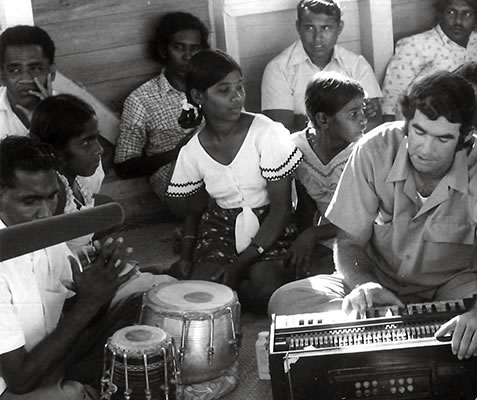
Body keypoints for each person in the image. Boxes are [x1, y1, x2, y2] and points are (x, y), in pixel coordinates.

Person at [269, 71, 477, 386]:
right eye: (419, 132)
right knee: (284, 302)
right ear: (406, 122)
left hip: (451, 289)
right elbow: (349, 242)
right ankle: (440, 346)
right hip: (377, 283)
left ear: (465, 138)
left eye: (443, 138)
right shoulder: (373, 149)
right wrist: (363, 286)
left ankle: (391, 344)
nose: (425, 148)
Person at [0, 136, 138, 399]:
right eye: (30, 201)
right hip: (12, 386)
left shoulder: (43, 234)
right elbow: (19, 380)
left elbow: (73, 315)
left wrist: (100, 290)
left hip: (49, 359)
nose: (45, 213)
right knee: (71, 394)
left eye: (51, 198)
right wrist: (88, 304)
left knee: (139, 304)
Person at [166, 50, 302, 312]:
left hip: (271, 227)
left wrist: (239, 265)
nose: (236, 96)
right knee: (202, 290)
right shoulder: (192, 150)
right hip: (221, 228)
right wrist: (186, 256)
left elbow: (282, 210)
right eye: (223, 90)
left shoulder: (265, 132)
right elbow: (195, 213)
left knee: (265, 289)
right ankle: (229, 290)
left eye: (239, 87)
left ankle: (239, 286)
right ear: (197, 96)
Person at [114, 12, 210, 206]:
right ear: (163, 50)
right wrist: (178, 153)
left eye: (195, 48)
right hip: (176, 177)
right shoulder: (141, 99)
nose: (188, 56)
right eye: (178, 47)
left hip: (221, 164)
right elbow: (124, 166)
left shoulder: (214, 86)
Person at [0, 25, 104, 198]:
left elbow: (93, 185)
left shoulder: (71, 112)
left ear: (52, 72)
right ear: (2, 75)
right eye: (15, 70)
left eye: (35, 68)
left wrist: (50, 119)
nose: (25, 79)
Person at [288, 71, 367, 278]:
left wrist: (311, 235)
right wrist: (304, 242)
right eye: (353, 114)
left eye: (363, 111)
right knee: (298, 272)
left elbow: (364, 217)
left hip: (364, 235)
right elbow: (304, 205)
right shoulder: (296, 149)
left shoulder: (363, 153)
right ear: (323, 119)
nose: (363, 120)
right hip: (326, 235)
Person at [261, 0, 383, 132]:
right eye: (309, 28)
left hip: (353, 149)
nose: (317, 38)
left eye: (326, 28)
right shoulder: (279, 69)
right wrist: (347, 118)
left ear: (339, 28)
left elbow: (374, 122)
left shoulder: (357, 65)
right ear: (298, 27)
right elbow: (282, 131)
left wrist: (305, 120)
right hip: (302, 151)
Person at [381, 0, 477, 119]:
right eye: (451, 12)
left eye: (467, 14)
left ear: (476, 20)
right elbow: (390, 105)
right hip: (421, 128)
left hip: (464, 125)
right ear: (440, 15)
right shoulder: (415, 46)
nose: (458, 21)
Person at [29, 94, 103, 253]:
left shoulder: (75, 181)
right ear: (55, 149)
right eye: (86, 142)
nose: (99, 149)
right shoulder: (56, 194)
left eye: (96, 139)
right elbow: (51, 260)